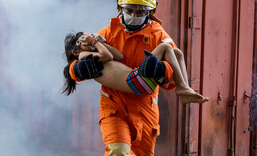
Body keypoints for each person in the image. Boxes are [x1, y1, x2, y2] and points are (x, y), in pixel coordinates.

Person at [66, 0, 206, 156]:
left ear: (151, 11)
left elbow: (170, 80)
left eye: (141, 11)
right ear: (120, 6)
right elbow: (78, 65)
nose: (134, 15)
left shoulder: (159, 36)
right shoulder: (107, 33)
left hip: (146, 110)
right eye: (130, 9)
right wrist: (76, 69)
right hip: (114, 107)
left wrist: (162, 71)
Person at [62, 32, 208, 105]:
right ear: (76, 51)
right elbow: (107, 56)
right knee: (165, 47)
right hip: (136, 81)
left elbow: (118, 55)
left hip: (138, 81)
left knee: (177, 53)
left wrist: (98, 41)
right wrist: (93, 42)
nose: (87, 41)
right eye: (82, 41)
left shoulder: (95, 50)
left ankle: (184, 88)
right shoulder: (82, 57)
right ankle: (182, 88)